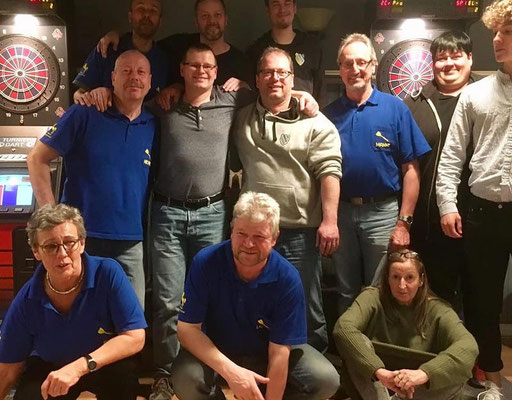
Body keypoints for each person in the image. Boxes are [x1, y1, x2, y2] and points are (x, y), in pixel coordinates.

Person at [148, 43, 318, 400]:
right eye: (193, 65)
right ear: (181, 69)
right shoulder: (164, 105)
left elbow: (274, 94)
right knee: (168, 301)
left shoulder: (231, 102)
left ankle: (214, 370)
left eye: (208, 66)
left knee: (217, 291)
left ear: (216, 72)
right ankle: (167, 374)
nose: (201, 71)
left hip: (212, 211)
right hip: (168, 212)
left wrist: (302, 95)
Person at [170, 191, 340, 400]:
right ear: (231, 230)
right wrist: (232, 372)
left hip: (266, 352)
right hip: (215, 352)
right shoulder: (205, 262)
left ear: (274, 238)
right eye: (241, 234)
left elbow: (279, 354)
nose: (248, 244)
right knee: (186, 379)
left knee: (325, 379)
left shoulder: (287, 278)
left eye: (259, 237)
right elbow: (187, 331)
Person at [27, 50, 155, 308]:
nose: (134, 77)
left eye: (141, 72)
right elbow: (36, 158)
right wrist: (51, 215)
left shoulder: (154, 124)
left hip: (131, 241)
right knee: (80, 316)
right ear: (113, 78)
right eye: (126, 71)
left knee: (131, 320)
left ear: (150, 81)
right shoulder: (84, 113)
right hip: (81, 240)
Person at [234, 46, 342, 353]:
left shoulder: (316, 122)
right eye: (267, 72)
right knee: (256, 302)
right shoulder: (241, 118)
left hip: (299, 234)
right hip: (255, 234)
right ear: (257, 79)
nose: (275, 78)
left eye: (282, 72)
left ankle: (313, 367)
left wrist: (330, 221)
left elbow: (330, 172)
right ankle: (262, 365)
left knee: (305, 305)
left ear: (293, 79)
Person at [323, 33, 430, 316]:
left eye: (361, 62)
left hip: (382, 214)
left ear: (373, 66)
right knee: (345, 290)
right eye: (347, 63)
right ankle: (348, 342)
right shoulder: (328, 116)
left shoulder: (395, 109)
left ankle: (377, 344)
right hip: (341, 213)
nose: (355, 69)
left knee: (381, 290)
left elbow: (411, 170)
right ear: (340, 69)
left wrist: (404, 223)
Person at [436, 0, 512, 396]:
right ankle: (493, 384)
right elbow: (451, 157)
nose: (496, 40)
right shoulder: (475, 94)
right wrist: (448, 205)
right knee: (483, 303)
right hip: (482, 213)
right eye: (496, 32)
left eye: (507, 32)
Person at [0, 204, 147, 400]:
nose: (62, 253)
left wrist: (79, 367)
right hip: (51, 367)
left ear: (82, 243)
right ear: (36, 252)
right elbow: (8, 369)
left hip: (102, 363)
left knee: (123, 375)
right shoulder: (26, 300)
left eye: (69, 242)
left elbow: (135, 337)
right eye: (50, 246)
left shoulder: (108, 273)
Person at [333, 250, 478, 400]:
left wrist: (424, 374)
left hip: (419, 386)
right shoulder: (372, 297)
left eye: (409, 278)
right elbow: (343, 328)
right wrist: (379, 372)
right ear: (387, 279)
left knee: (456, 369)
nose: (402, 285)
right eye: (396, 277)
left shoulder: (439, 309)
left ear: (421, 280)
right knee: (355, 347)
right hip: (377, 384)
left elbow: (469, 346)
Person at [405, 30, 479, 311]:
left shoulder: (485, 98)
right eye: (441, 58)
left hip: (477, 217)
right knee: (432, 299)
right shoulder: (414, 104)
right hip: (428, 222)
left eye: (456, 56)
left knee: (478, 297)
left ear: (470, 58)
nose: (448, 64)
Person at [96, 0, 249, 101]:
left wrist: (245, 88)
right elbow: (145, 39)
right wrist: (117, 35)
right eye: (204, 16)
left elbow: (254, 100)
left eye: (217, 15)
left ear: (226, 19)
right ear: (196, 22)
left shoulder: (241, 61)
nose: (212, 21)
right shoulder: (178, 45)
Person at [73, 0, 169, 111]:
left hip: (144, 121)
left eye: (153, 11)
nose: (146, 15)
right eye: (140, 9)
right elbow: (78, 95)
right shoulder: (107, 48)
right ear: (130, 17)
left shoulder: (165, 59)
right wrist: (93, 96)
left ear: (160, 21)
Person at [246, 0, 323, 100]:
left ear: (294, 8)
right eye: (276, 4)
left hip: (305, 109)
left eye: (287, 3)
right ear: (268, 10)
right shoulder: (256, 50)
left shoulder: (312, 46)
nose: (282, 9)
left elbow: (320, 90)